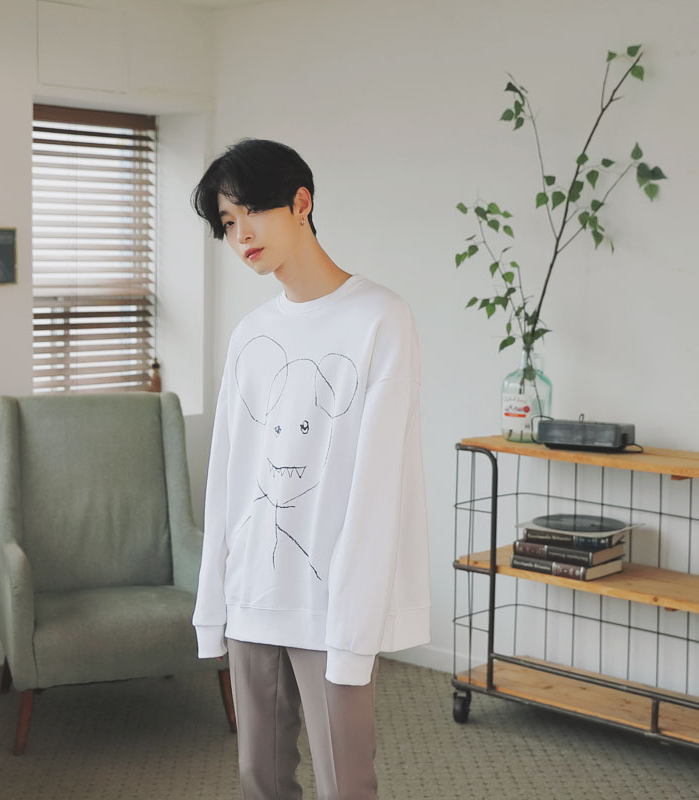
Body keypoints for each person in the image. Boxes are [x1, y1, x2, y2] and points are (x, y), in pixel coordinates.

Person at [190, 138, 430, 800]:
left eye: (251, 213)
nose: (240, 235)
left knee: (345, 782)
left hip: (330, 601)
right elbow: (228, 475)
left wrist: (356, 619)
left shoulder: (380, 318)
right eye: (227, 223)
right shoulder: (250, 335)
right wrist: (216, 600)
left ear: (302, 203)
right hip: (253, 592)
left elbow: (378, 484)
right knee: (259, 778)